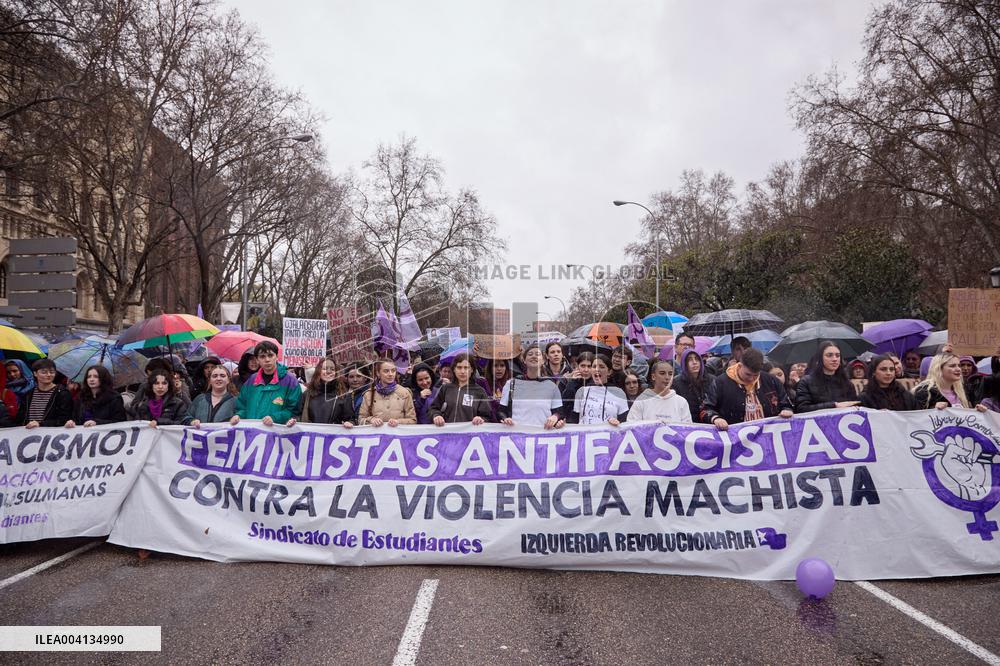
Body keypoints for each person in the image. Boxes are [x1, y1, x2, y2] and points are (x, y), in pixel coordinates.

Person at [704, 348, 793, 430]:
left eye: (755, 375)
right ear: (739, 366)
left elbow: (785, 402)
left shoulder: (771, 380)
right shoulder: (720, 382)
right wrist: (715, 418)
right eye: (748, 374)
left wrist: (787, 409)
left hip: (767, 436)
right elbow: (706, 409)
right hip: (735, 438)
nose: (751, 379)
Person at [230, 341, 303, 427]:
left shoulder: (290, 381)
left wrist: (275, 418)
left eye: (270, 355)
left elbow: (294, 411)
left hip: (277, 435)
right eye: (262, 356)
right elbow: (242, 406)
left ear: (276, 357)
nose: (267, 360)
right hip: (252, 434)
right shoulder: (251, 380)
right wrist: (238, 415)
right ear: (257, 360)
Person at [498, 344, 564, 429]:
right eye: (530, 354)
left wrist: (555, 417)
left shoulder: (552, 386)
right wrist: (505, 419)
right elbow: (501, 411)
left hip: (542, 436)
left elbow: (559, 412)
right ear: (524, 360)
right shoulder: (511, 384)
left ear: (543, 360)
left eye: (537, 354)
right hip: (517, 436)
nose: (533, 356)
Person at [794, 342, 860, 413]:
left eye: (837, 355)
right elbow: (802, 408)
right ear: (820, 358)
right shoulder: (806, 382)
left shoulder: (847, 383)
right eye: (829, 355)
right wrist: (834, 405)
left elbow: (855, 405)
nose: (835, 359)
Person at [430, 354, 493, 425]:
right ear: (454, 369)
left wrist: (481, 418)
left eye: (466, 368)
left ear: (472, 370)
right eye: (459, 367)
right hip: (447, 433)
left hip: (470, 434)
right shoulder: (445, 388)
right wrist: (436, 415)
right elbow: (433, 408)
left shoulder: (479, 391)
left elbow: (487, 416)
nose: (462, 371)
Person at [913, 353, 987, 411]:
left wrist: (977, 412)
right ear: (939, 369)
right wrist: (932, 410)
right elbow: (915, 420)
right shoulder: (924, 391)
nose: (958, 369)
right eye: (952, 366)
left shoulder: (962, 391)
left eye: (959, 365)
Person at [572, 354, 629, 426]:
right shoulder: (581, 391)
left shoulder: (619, 393)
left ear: (609, 372)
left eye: (601, 367)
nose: (597, 369)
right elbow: (574, 420)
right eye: (594, 366)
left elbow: (625, 423)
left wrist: (617, 422)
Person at [358, 359, 417, 426]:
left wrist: (398, 422)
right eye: (386, 371)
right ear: (378, 373)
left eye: (393, 371)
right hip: (377, 435)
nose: (390, 374)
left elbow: (413, 420)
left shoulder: (405, 393)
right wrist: (371, 420)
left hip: (397, 435)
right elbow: (360, 419)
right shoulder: (368, 394)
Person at [18, 359, 73, 428]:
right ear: (35, 373)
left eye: (52, 372)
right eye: (44, 372)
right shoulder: (28, 394)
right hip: (28, 434)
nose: (49, 375)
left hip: (51, 435)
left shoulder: (62, 393)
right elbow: (21, 418)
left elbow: (64, 419)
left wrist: (40, 424)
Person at [301, 356, 355, 426]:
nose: (329, 372)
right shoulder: (307, 394)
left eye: (332, 369)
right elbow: (298, 415)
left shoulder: (343, 395)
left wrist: (350, 423)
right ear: (318, 371)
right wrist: (293, 420)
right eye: (325, 369)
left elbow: (351, 418)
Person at [672, 349, 715, 423]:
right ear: (684, 363)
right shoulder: (676, 382)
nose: (694, 362)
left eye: (697, 359)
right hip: (688, 425)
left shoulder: (712, 380)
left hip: (710, 423)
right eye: (690, 360)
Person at [561, 352, 595, 424]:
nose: (586, 370)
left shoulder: (598, 384)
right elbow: (563, 406)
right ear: (577, 366)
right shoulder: (568, 381)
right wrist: (572, 383)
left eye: (589, 366)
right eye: (583, 366)